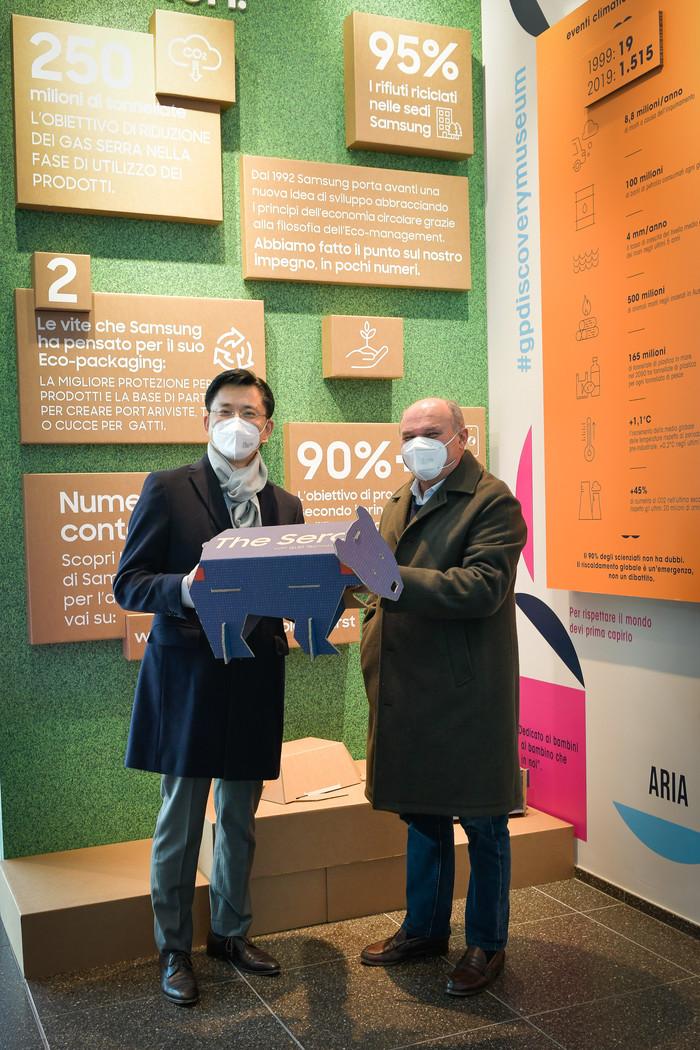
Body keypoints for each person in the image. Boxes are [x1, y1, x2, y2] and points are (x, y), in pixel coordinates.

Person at [114, 369, 304, 1006]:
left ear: (267, 428)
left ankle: (230, 932)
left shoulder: (285, 507)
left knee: (240, 816)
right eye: (225, 411)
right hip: (189, 677)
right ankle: (174, 948)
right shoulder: (170, 489)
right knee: (182, 818)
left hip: (255, 676)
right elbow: (130, 583)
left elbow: (291, 589)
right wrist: (187, 589)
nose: (237, 424)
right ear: (206, 420)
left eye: (249, 413)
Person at [358, 398, 526, 996]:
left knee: (484, 820)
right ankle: (425, 929)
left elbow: (482, 587)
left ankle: (486, 943)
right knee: (422, 814)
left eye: (431, 432)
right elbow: (378, 585)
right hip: (408, 686)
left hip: (466, 691)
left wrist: (388, 581)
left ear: (462, 436)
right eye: (408, 434)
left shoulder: (493, 501)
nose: (418, 443)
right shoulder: (397, 500)